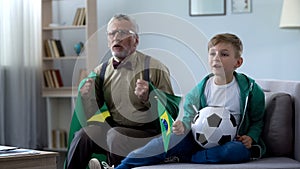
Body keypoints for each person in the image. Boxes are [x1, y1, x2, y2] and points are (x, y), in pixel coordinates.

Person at [115, 33, 266, 169]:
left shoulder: (251, 90)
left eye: (224, 54)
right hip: (199, 141)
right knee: (165, 142)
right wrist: (183, 126)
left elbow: (257, 120)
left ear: (238, 62)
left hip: (231, 142)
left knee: (234, 151)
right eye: (212, 53)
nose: (216, 58)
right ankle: (122, 166)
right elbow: (189, 117)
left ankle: (190, 157)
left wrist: (251, 137)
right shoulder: (200, 90)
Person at [66, 14, 179, 169]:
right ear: (108, 40)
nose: (117, 38)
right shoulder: (101, 71)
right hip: (114, 128)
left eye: (124, 33)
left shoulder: (155, 68)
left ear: (136, 40)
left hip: (148, 133)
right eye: (112, 33)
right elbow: (93, 113)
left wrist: (150, 97)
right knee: (83, 136)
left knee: (116, 136)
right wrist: (87, 97)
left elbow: (172, 110)